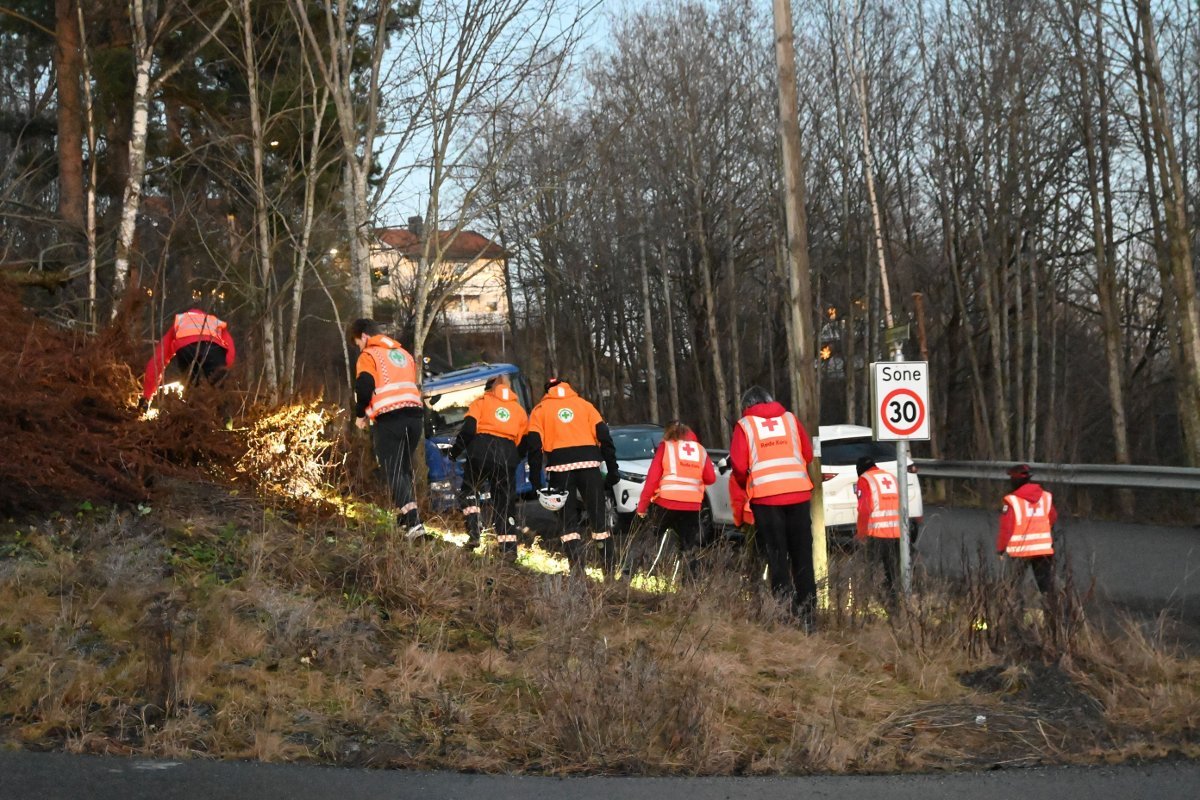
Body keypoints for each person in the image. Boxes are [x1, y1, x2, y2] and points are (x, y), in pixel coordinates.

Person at [729, 386, 817, 626]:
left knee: (777, 557)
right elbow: (807, 454)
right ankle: (809, 617)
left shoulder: (745, 425)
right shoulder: (790, 419)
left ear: (747, 406)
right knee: (803, 558)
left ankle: (784, 614)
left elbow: (738, 465)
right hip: (799, 496)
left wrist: (745, 481)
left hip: (766, 499)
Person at [526, 377, 620, 575]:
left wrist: (536, 481)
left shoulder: (540, 410)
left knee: (568, 523)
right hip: (590, 467)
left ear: (547, 390)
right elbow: (605, 437)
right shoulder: (586, 406)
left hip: (560, 470)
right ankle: (609, 571)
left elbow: (534, 447)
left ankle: (578, 571)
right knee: (599, 520)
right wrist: (612, 469)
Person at [349, 319, 425, 538]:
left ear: (363, 336)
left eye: (357, 343)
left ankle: (413, 524)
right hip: (414, 418)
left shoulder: (369, 355)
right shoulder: (404, 354)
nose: (359, 348)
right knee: (403, 469)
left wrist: (361, 414)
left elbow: (364, 386)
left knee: (391, 469)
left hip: (389, 417)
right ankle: (405, 518)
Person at [447, 374, 528, 557]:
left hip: (480, 450)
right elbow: (525, 441)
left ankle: (474, 533)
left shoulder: (481, 403)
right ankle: (508, 549)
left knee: (469, 491)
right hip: (507, 455)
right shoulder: (519, 410)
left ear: (489, 389)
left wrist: (454, 452)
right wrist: (514, 459)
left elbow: (468, 429)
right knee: (504, 503)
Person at [634, 420, 717, 580]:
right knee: (688, 547)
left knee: (647, 538)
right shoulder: (700, 450)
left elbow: (652, 479)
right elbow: (711, 477)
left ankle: (629, 574)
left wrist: (642, 507)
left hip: (665, 503)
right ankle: (690, 585)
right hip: (691, 507)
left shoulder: (666, 447)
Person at [139, 308, 235, 410]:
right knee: (220, 389)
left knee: (192, 387)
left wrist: (147, 396)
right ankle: (225, 420)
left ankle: (191, 416)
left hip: (185, 348)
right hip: (214, 348)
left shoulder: (180, 323)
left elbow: (157, 361)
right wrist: (225, 369)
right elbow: (231, 350)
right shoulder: (214, 321)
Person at [996, 463, 1058, 600]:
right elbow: (1052, 517)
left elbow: (1006, 527)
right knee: (1046, 587)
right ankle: (1054, 616)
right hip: (1043, 550)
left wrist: (1001, 549)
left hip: (1020, 551)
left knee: (1014, 586)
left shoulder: (1012, 501)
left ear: (1015, 481)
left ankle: (1015, 615)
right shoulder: (1045, 497)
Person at [854, 457, 901, 607]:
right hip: (896, 531)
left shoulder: (865, 479)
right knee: (892, 572)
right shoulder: (890, 477)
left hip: (877, 532)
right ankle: (895, 604)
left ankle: (864, 605)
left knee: (869, 571)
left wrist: (861, 533)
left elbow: (864, 508)